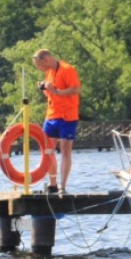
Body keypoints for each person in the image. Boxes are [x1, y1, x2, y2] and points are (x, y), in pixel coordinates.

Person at [32, 49, 80, 193]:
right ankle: (52, 184)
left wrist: (56, 91)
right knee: (48, 150)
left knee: (65, 150)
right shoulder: (49, 72)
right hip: (51, 115)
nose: (39, 68)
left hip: (67, 116)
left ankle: (63, 186)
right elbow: (51, 93)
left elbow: (76, 90)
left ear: (46, 59)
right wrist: (45, 89)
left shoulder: (67, 69)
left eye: (39, 65)